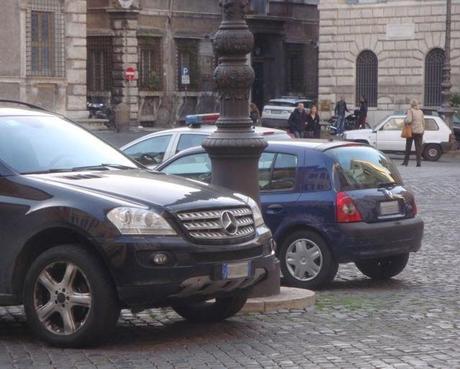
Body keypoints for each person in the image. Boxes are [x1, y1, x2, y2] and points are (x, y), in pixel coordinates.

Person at [402, 99, 425, 167]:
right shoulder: (421, 111)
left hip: (412, 131)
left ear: (411, 105)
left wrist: (405, 120)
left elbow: (409, 120)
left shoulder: (410, 111)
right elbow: (423, 122)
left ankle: (406, 162)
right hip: (420, 131)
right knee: (418, 148)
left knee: (408, 147)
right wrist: (423, 130)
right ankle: (418, 163)